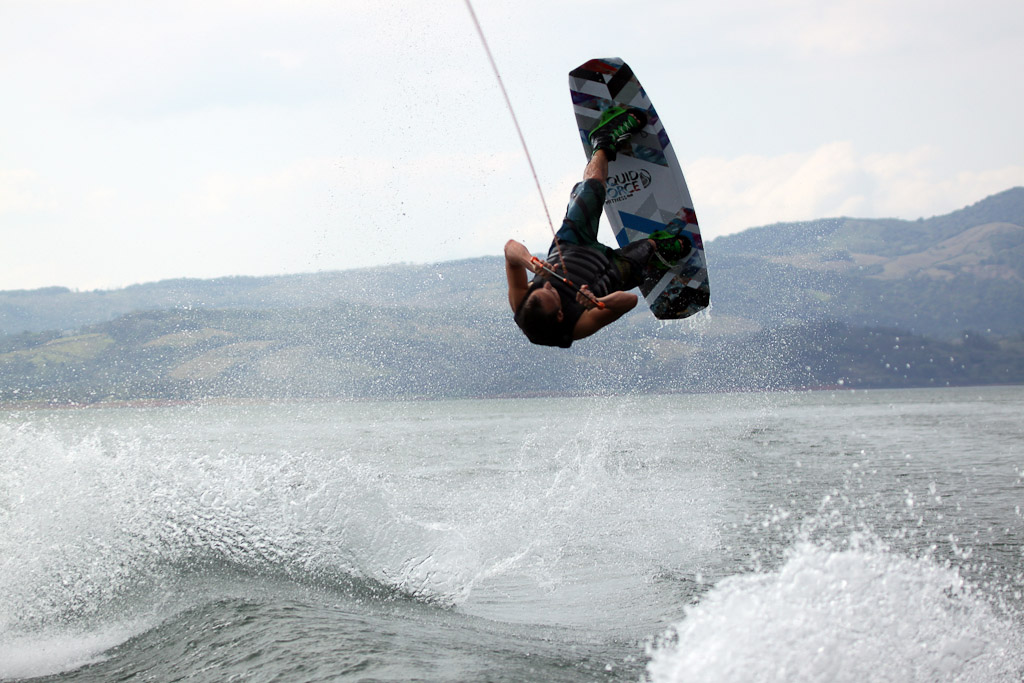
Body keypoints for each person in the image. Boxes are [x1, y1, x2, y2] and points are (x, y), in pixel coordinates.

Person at [504, 106, 687, 347]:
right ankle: (658, 248)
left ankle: (603, 142)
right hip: (611, 271)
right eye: (550, 292)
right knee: (656, 247)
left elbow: (510, 250)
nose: (547, 284)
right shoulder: (575, 327)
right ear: (559, 314)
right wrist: (601, 303)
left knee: (593, 186)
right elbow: (629, 301)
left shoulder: (521, 302)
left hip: (572, 242)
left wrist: (531, 262)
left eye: (540, 287)